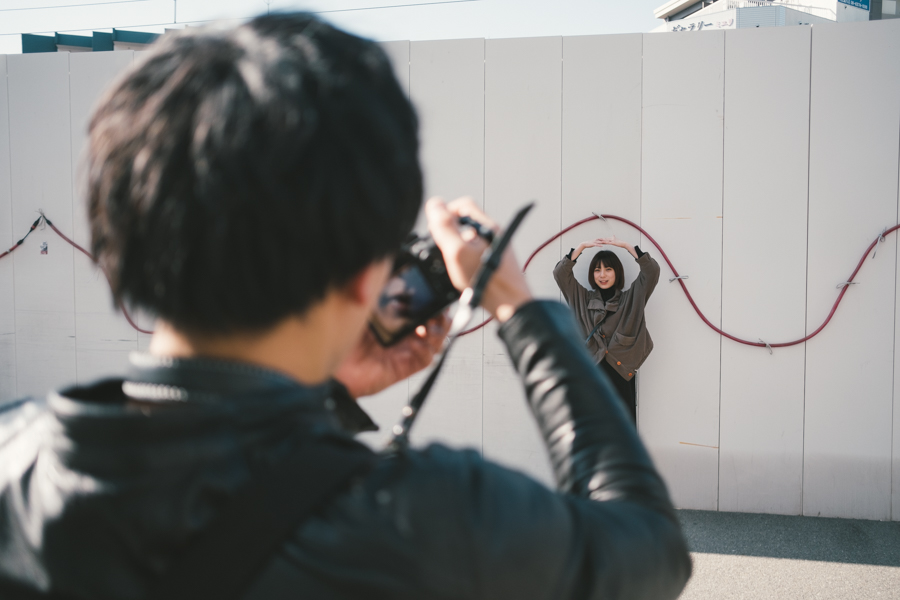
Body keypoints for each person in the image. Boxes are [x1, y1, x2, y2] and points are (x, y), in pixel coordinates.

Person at [0, 13, 690, 600]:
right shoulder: (426, 516)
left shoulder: (17, 458)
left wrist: (321, 392)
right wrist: (519, 308)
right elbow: (648, 548)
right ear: (367, 273)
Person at [553, 236, 661, 424]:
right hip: (590, 372)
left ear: (617, 272)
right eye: (597, 270)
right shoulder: (581, 298)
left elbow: (651, 271)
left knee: (622, 428)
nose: (602, 275)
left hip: (621, 374)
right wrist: (580, 247)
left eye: (608, 269)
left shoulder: (631, 298)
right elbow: (560, 274)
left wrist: (627, 246)